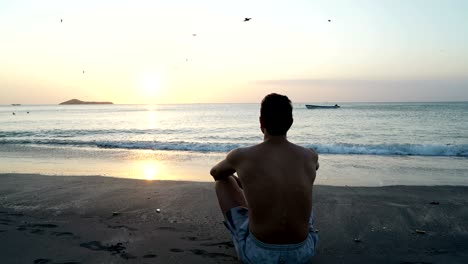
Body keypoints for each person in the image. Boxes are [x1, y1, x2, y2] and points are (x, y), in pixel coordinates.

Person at [210, 93, 319, 263]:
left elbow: (215, 173)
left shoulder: (241, 156)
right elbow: (314, 169)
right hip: (303, 252)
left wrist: (246, 181)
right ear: (290, 123)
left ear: (261, 122)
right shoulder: (309, 156)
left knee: (224, 181)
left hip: (259, 254)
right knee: (297, 187)